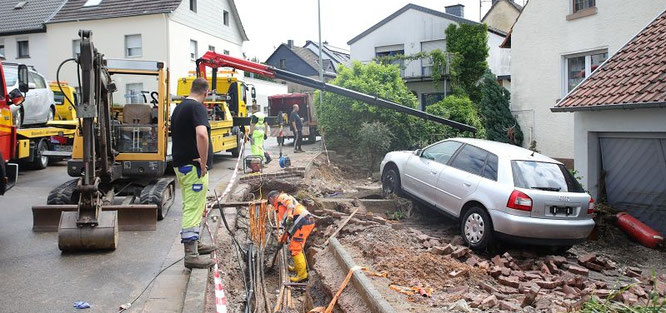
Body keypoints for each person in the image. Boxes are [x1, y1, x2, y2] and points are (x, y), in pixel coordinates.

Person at [170, 77, 216, 269]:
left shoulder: (179, 108)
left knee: (193, 205)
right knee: (192, 208)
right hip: (193, 167)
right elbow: (201, 134)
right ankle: (191, 255)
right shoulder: (197, 108)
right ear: (205, 93)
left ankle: (195, 244)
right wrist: (203, 163)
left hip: (181, 164)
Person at [267, 190, 315, 282]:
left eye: (270, 202)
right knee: (294, 247)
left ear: (272, 198)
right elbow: (287, 229)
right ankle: (298, 267)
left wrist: (289, 216)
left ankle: (302, 276)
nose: (271, 205)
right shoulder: (279, 207)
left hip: (304, 223)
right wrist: (282, 240)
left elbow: (290, 204)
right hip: (300, 225)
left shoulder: (281, 197)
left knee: (295, 248)